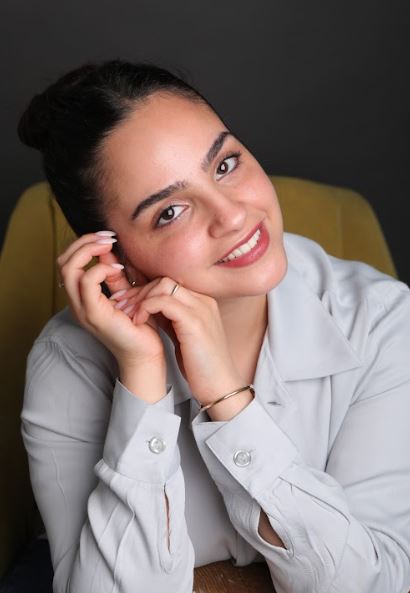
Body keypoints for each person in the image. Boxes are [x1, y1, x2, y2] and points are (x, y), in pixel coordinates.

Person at [18, 59, 410, 593]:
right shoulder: (68, 359)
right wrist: (142, 377)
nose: (232, 215)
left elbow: (371, 584)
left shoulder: (380, 319)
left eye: (225, 164)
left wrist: (227, 399)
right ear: (115, 259)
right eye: (170, 212)